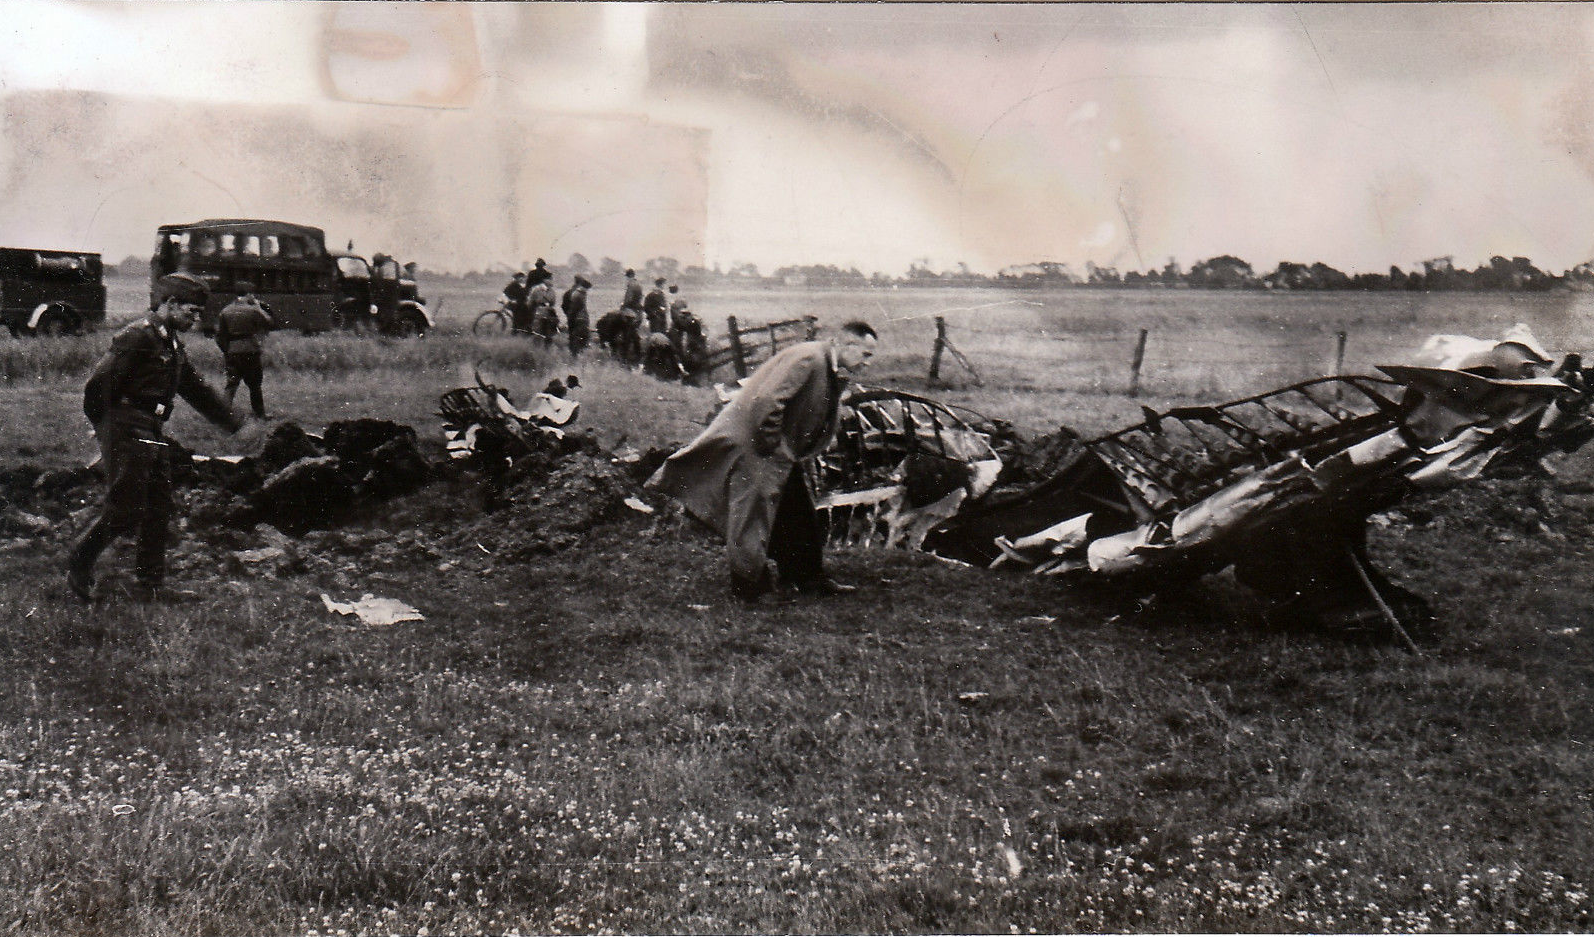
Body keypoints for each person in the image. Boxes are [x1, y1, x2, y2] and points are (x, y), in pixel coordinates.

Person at [647, 320, 880, 603]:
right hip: (758, 446)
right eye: (866, 354)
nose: (867, 363)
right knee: (752, 515)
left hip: (775, 448)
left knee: (797, 511)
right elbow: (768, 400)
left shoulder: (826, 363)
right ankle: (749, 587)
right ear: (845, 344)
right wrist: (771, 445)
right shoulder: (808, 358)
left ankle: (807, 577)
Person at [67, 273, 256, 602]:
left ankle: (150, 587)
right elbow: (97, 388)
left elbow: (196, 390)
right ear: (169, 304)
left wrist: (236, 423)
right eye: (192, 311)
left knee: (158, 506)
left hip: (150, 428)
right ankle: (79, 564)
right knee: (126, 508)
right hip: (127, 426)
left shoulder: (170, 342)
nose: (197, 319)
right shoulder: (138, 336)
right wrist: (106, 430)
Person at [216, 290, 274, 419]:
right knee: (255, 385)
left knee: (231, 384)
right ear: (249, 295)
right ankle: (259, 414)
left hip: (233, 350)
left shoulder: (225, 310)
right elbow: (269, 322)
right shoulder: (253, 310)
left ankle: (223, 414)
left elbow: (219, 336)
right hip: (250, 349)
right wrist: (258, 306)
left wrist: (227, 350)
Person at [562, 276, 591, 356]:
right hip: (578, 318)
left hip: (573, 316)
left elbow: (564, 306)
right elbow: (576, 308)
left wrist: (568, 315)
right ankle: (576, 353)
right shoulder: (578, 293)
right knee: (579, 336)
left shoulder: (570, 292)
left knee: (573, 336)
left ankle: (574, 353)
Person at [528, 276, 559, 348]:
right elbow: (530, 303)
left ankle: (547, 350)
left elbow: (553, 302)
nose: (551, 281)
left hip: (549, 313)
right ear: (545, 280)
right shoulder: (536, 289)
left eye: (551, 280)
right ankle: (536, 350)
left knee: (549, 333)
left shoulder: (551, 291)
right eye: (550, 280)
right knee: (537, 332)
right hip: (538, 311)